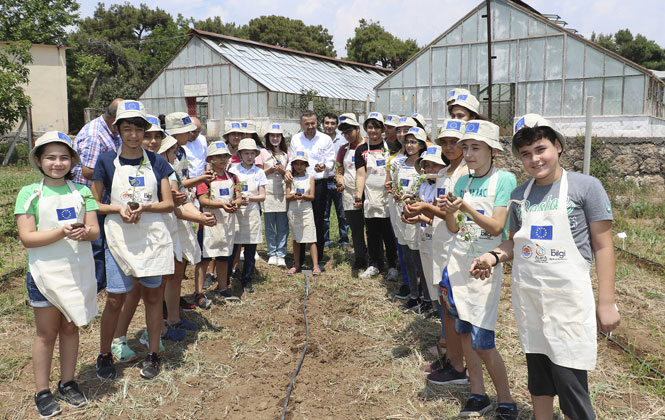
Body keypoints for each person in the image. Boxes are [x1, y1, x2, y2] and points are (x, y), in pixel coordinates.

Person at [470, 114, 620, 420]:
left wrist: (606, 302)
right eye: (526, 154)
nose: (534, 159)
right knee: (539, 380)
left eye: (541, 149)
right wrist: (493, 256)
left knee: (570, 384)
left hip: (568, 305)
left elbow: (604, 246)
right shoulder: (518, 196)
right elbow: (517, 242)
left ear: (558, 146)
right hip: (532, 302)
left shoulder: (585, 187)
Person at [16, 131, 100, 418]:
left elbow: (95, 232)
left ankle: (68, 382)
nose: (57, 163)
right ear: (39, 160)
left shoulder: (83, 192)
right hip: (44, 275)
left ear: (72, 161)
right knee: (45, 333)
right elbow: (27, 238)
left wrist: (84, 232)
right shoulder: (30, 193)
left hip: (76, 272)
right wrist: (62, 232)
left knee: (70, 327)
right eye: (50, 157)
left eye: (64, 157)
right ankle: (42, 390)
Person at [91, 100, 175, 381]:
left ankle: (153, 354)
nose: (134, 135)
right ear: (118, 130)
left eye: (139, 129)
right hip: (118, 237)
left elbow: (168, 204)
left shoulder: (157, 161)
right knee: (115, 298)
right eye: (127, 129)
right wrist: (118, 208)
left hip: (151, 237)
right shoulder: (105, 161)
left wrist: (145, 208)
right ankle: (105, 354)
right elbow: (93, 204)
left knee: (152, 296)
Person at [439, 120, 517, 419]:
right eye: (466, 148)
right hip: (459, 263)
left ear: (492, 150)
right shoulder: (461, 182)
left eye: (476, 148)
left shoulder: (504, 180)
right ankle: (477, 393)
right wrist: (449, 213)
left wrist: (467, 208)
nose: (468, 154)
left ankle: (506, 399)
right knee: (463, 333)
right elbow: (455, 228)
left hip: (485, 267)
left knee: (483, 341)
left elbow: (498, 226)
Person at [72, 97, 123, 293]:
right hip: (90, 198)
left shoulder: (112, 131)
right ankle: (96, 286)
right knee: (96, 243)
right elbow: (87, 170)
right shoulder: (95, 135)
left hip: (102, 197)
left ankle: (101, 282)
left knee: (102, 241)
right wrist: (117, 172)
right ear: (115, 120)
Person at [285, 110, 334, 271]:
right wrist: (287, 171)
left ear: (317, 122)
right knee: (297, 220)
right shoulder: (296, 139)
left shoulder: (325, 139)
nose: (310, 126)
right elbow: (290, 159)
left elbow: (331, 159)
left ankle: (316, 259)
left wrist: (324, 166)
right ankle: (298, 260)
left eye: (313, 123)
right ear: (301, 124)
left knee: (318, 221)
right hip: (298, 182)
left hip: (318, 184)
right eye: (307, 124)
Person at [196, 140, 242, 306]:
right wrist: (222, 204)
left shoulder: (234, 177)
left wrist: (235, 203)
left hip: (227, 223)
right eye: (218, 156)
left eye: (225, 156)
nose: (223, 159)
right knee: (204, 259)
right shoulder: (205, 178)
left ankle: (222, 288)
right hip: (208, 223)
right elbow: (202, 200)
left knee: (224, 257)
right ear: (211, 159)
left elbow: (238, 195)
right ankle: (199, 292)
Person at [353, 112, 398, 279]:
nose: (373, 130)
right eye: (370, 127)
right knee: (372, 233)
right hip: (370, 197)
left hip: (388, 197)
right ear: (365, 129)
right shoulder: (362, 150)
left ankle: (392, 265)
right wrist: (358, 196)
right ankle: (374, 264)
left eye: (376, 127)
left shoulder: (392, 148)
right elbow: (360, 174)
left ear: (382, 129)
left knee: (389, 233)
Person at [394, 127, 429, 312]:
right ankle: (413, 295)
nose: (409, 145)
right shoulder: (400, 164)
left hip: (416, 218)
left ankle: (424, 296)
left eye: (413, 142)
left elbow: (424, 193)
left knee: (418, 257)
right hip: (401, 215)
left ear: (422, 144)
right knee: (406, 255)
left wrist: (411, 199)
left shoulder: (424, 166)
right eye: (407, 141)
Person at [229, 138, 267, 293]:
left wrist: (250, 198)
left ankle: (247, 279)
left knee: (251, 248)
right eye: (246, 153)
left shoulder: (259, 172)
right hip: (236, 211)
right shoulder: (233, 170)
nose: (249, 156)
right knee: (233, 245)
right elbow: (229, 191)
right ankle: (228, 276)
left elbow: (262, 196)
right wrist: (237, 200)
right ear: (240, 154)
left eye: (252, 153)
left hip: (251, 211)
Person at [387, 116, 416, 295]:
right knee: (402, 245)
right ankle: (407, 282)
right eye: (398, 130)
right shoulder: (395, 159)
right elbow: (388, 180)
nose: (401, 134)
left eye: (406, 130)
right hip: (396, 206)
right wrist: (389, 186)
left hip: (415, 209)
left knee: (416, 248)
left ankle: (421, 286)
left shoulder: (424, 158)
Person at [335, 113, 368, 270]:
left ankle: (377, 257)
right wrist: (339, 179)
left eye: (349, 132)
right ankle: (360, 257)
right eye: (344, 133)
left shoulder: (369, 147)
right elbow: (338, 169)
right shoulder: (343, 150)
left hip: (369, 194)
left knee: (373, 227)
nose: (347, 136)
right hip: (349, 194)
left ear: (358, 128)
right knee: (356, 228)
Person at [286, 151, 320, 274]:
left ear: (306, 165)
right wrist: (294, 196)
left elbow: (312, 197)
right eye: (296, 164)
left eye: (302, 164)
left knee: (311, 238)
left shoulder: (310, 178)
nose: (299, 166)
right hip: (294, 211)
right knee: (296, 239)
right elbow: (287, 196)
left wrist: (304, 196)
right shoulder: (290, 179)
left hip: (306, 210)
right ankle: (296, 264)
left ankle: (315, 265)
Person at [263, 123, 289, 267]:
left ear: (281, 137)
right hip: (268, 192)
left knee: (282, 225)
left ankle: (281, 253)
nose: (275, 138)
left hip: (282, 192)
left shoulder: (286, 153)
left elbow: (290, 173)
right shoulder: (262, 153)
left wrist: (283, 170)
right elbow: (259, 173)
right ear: (268, 137)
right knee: (269, 225)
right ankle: (272, 252)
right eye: (272, 136)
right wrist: (270, 170)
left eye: (277, 136)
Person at [321, 112, 349, 247]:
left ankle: (344, 239)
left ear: (337, 125)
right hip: (323, 180)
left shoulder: (343, 141)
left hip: (338, 181)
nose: (329, 126)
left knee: (342, 213)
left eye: (332, 123)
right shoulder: (318, 140)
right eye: (327, 123)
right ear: (322, 124)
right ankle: (325, 240)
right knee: (324, 214)